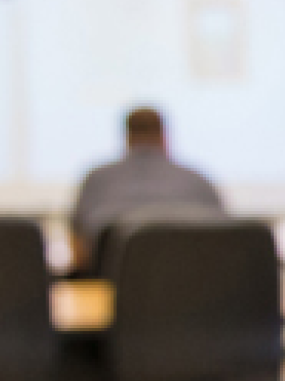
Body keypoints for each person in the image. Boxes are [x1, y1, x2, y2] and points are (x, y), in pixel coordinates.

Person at [69, 105, 225, 271]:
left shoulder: (96, 180)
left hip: (112, 291)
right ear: (164, 136)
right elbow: (224, 245)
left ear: (128, 137)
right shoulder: (199, 181)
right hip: (195, 288)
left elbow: (80, 254)